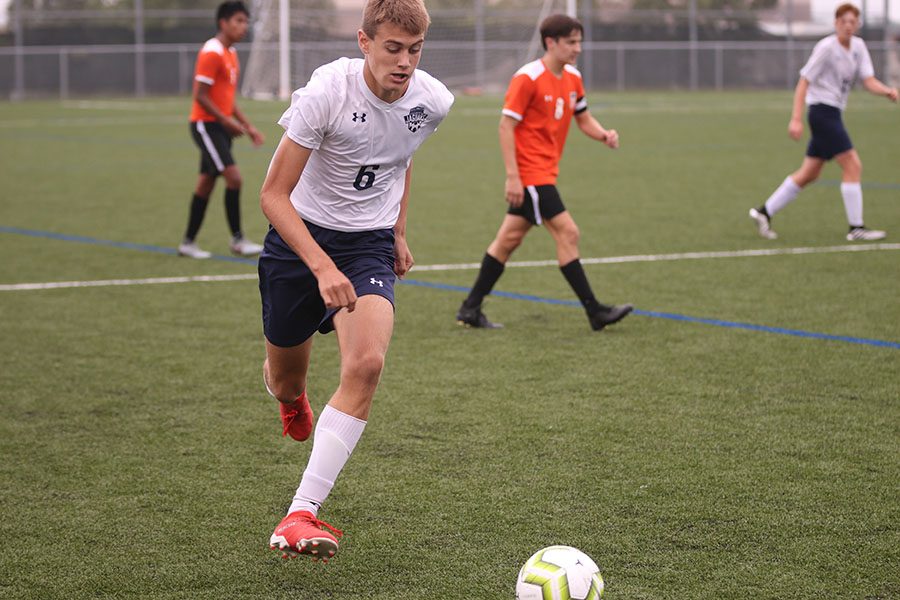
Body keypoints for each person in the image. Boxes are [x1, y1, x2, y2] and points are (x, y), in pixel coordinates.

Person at [258, 0, 453, 560]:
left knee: (366, 363)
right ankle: (290, 397)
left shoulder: (433, 101)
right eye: (392, 48)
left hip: (367, 243)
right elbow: (272, 196)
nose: (404, 63)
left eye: (414, 51)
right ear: (364, 41)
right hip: (301, 244)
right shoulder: (327, 93)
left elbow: (401, 157)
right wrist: (320, 266)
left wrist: (397, 229)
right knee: (286, 380)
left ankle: (299, 514)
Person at [455, 14, 632, 331]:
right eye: (571, 42)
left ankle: (470, 308)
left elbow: (583, 117)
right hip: (532, 175)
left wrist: (604, 134)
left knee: (507, 240)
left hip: (546, 172)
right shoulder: (528, 78)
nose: (578, 48)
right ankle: (595, 312)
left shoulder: (573, 78)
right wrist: (513, 176)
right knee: (568, 233)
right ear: (551, 42)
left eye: (579, 41)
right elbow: (506, 126)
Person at [749, 2, 898, 242]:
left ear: (857, 25)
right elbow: (803, 82)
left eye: (853, 22)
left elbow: (868, 80)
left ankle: (764, 212)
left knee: (810, 172)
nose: (848, 26)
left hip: (834, 113)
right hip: (821, 112)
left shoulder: (859, 47)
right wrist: (796, 118)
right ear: (836, 23)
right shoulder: (826, 48)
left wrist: (888, 91)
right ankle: (856, 228)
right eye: (844, 21)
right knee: (853, 165)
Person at [179, 1, 266, 259]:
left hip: (219, 126)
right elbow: (200, 95)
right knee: (234, 178)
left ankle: (187, 243)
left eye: (246, 22)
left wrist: (247, 126)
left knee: (205, 184)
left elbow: (228, 99)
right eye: (238, 21)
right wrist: (226, 122)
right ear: (223, 23)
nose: (243, 27)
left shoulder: (231, 53)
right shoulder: (212, 52)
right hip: (206, 126)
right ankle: (238, 240)